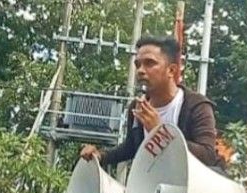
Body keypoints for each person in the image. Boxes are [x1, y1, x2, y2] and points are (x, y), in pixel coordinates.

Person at [79, 35, 225, 172]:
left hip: (192, 187)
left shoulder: (196, 105)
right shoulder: (137, 108)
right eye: (138, 65)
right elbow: (131, 147)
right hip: (154, 187)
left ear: (171, 70)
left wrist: (159, 132)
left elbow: (207, 155)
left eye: (150, 63)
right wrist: (100, 156)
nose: (140, 71)